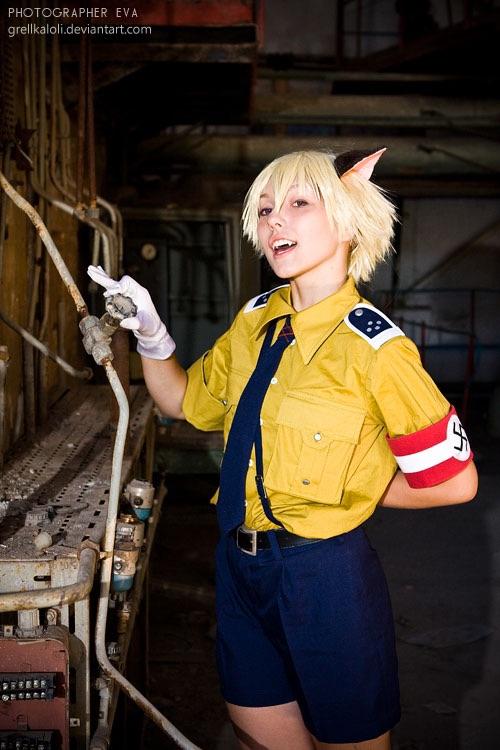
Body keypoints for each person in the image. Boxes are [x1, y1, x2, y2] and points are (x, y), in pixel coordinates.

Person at [88, 147, 478, 750]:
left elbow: (455, 481)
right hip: (238, 566)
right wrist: (151, 333)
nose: (276, 221)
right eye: (266, 209)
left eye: (299, 203)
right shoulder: (255, 321)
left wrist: (354, 487)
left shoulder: (377, 349)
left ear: (348, 220)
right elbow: (184, 402)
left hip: (326, 576)